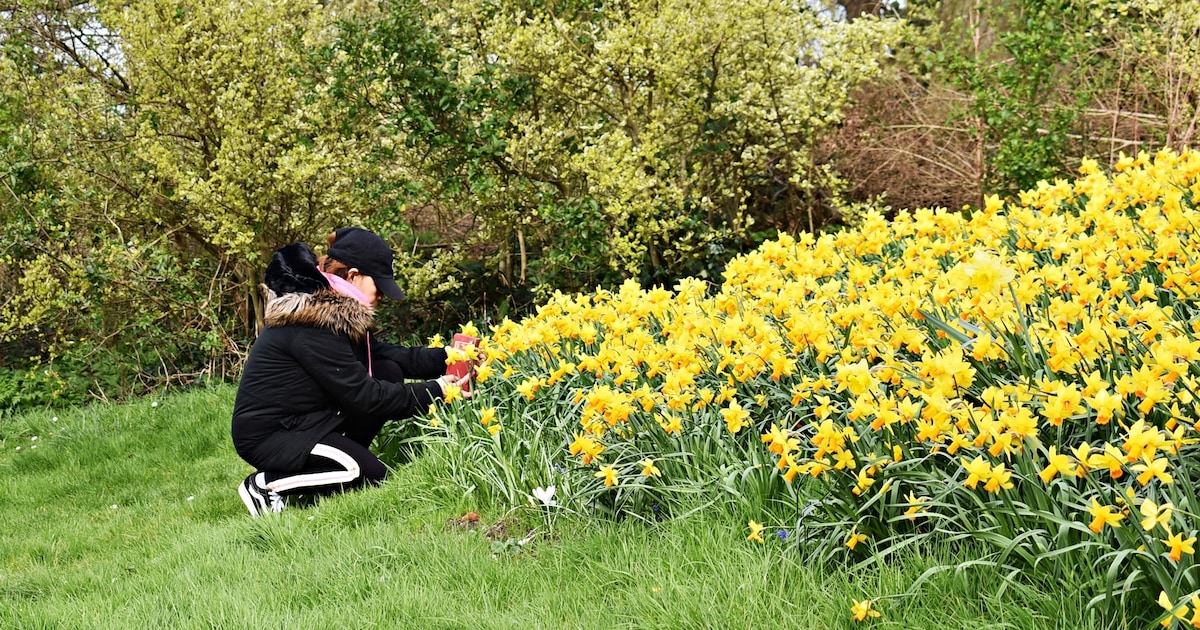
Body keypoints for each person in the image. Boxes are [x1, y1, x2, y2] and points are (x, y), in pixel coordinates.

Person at [231, 227, 469, 517]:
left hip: (306, 422)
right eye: (379, 285)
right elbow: (366, 397)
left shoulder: (334, 311)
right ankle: (265, 485)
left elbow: (384, 356)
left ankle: (330, 467)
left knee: (386, 370)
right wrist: (439, 390)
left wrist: (448, 357)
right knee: (366, 474)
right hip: (272, 434)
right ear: (354, 276)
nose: (382, 294)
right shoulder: (312, 324)